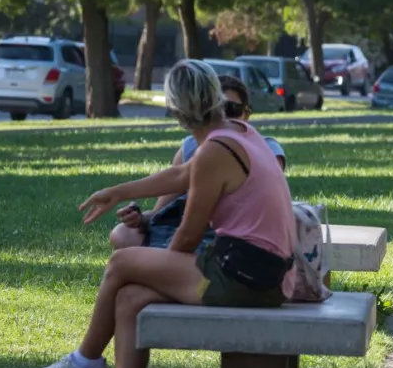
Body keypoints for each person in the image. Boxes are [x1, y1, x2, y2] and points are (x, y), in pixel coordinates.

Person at [28, 59, 297, 368]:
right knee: (130, 296)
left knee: (122, 262)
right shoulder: (238, 132)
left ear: (176, 110)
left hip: (247, 278)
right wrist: (117, 192)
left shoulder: (216, 150)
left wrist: (161, 265)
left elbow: (187, 236)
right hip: (260, 274)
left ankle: (85, 361)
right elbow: (181, 175)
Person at [109, 74, 286, 253]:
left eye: (231, 109)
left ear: (246, 114)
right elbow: (162, 207)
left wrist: (168, 256)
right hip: (188, 228)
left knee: (122, 263)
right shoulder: (191, 146)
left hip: (232, 240)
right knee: (122, 234)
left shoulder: (266, 148)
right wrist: (140, 218)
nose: (223, 117)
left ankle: (158, 261)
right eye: (218, 109)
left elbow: (191, 232)